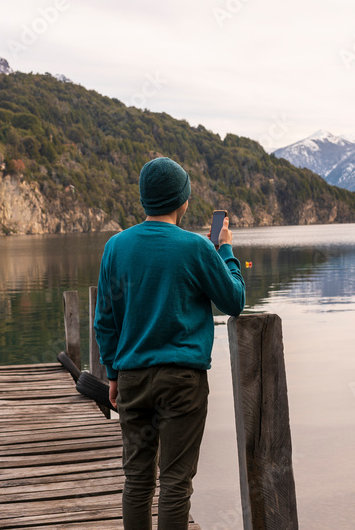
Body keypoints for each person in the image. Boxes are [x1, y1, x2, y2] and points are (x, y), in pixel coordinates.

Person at [94, 156, 246, 529]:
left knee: (137, 481)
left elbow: (105, 320)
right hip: (182, 382)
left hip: (132, 377)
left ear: (145, 199)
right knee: (176, 482)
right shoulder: (196, 248)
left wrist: (113, 373)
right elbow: (234, 302)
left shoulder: (116, 247)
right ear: (184, 201)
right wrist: (225, 250)